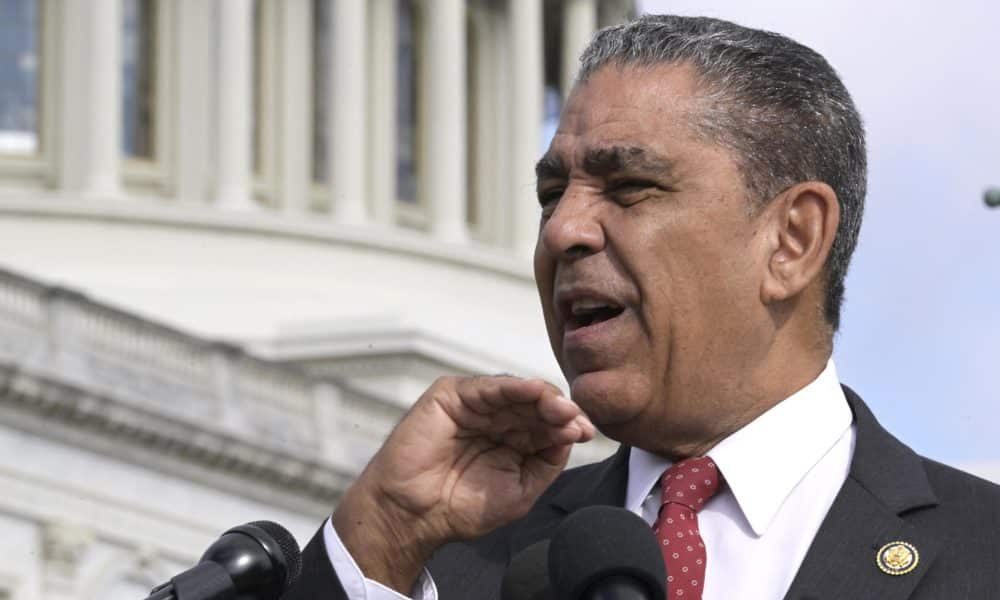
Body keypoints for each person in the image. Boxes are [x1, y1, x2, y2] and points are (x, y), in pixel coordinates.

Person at [284, 15, 1000, 600]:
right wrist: (383, 538)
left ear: (792, 240)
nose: (563, 230)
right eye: (550, 195)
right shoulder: (448, 565)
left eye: (628, 186)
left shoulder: (982, 554)